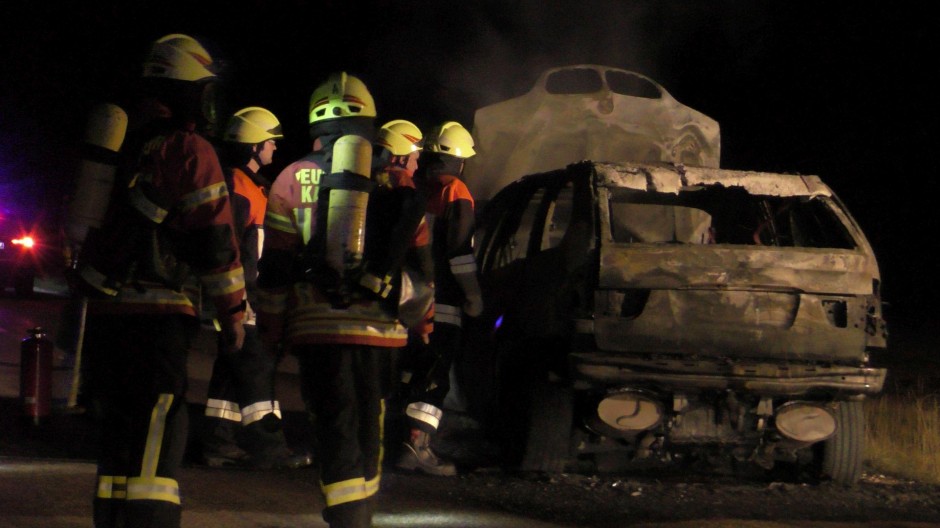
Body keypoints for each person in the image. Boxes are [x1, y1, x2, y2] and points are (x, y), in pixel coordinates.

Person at [72, 34, 247, 528]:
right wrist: (233, 312)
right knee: (157, 431)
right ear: (187, 90)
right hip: (161, 317)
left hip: (108, 310)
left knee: (119, 438)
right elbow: (216, 240)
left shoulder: (120, 145)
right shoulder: (189, 150)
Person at [258, 72, 427, 527]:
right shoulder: (394, 178)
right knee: (370, 422)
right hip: (380, 329)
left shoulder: (290, 178)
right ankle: (362, 514)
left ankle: (344, 516)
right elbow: (418, 257)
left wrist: (271, 329)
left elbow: (274, 266)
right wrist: (423, 322)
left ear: (314, 124)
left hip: (316, 329)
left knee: (333, 425)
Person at [199, 106, 313, 470]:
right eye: (269, 143)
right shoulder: (238, 188)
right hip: (245, 300)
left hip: (245, 299)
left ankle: (218, 442)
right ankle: (269, 448)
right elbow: (230, 248)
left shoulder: (250, 187)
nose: (274, 150)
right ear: (253, 147)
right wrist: (238, 302)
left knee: (231, 373)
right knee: (258, 372)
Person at [396, 120, 483, 477]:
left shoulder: (413, 187)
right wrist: (474, 295)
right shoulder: (455, 191)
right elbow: (459, 254)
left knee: (407, 370)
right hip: (442, 301)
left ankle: (393, 441)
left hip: (403, 299)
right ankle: (416, 447)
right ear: (458, 159)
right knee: (434, 373)